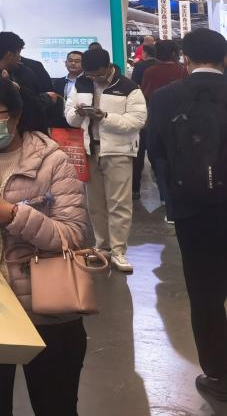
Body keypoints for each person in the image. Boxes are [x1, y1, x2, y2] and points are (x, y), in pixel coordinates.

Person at [0, 76, 89, 416]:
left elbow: (71, 234)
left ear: (15, 114)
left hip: (46, 310)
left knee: (55, 406)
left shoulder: (52, 160)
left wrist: (13, 215)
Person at [147, 28, 227, 402]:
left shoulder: (165, 97)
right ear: (224, 58)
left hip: (192, 210)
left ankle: (219, 374)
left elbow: (156, 152)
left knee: (205, 291)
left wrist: (174, 198)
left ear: (186, 58)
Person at [67, 46, 146, 273]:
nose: (94, 79)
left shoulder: (129, 87)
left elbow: (137, 121)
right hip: (89, 150)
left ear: (108, 66)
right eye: (90, 75)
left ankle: (119, 251)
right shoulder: (81, 84)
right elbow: (69, 115)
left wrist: (104, 117)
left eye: (98, 74)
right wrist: (78, 113)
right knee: (95, 204)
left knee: (119, 203)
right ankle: (102, 247)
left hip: (118, 152)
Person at [137, 39, 184, 203]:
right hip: (181, 120)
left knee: (159, 159)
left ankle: (164, 196)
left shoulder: (150, 71)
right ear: (175, 53)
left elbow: (145, 94)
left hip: (155, 119)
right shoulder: (182, 70)